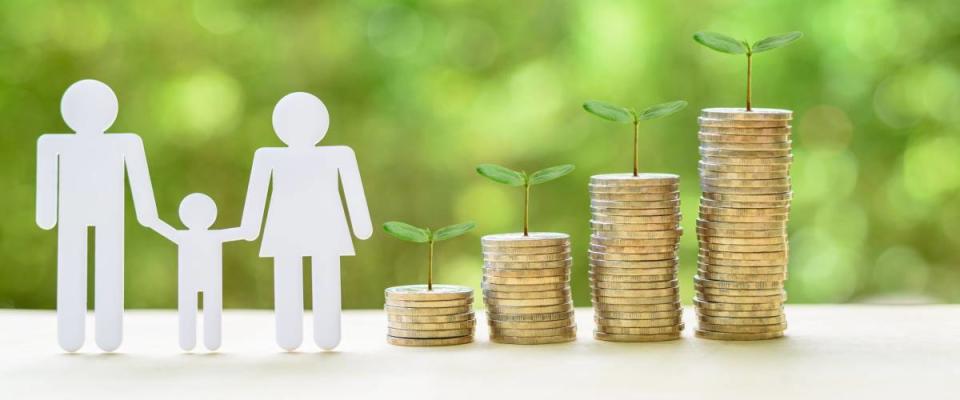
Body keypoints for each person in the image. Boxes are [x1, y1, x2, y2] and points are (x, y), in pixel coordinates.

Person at [239, 92, 372, 351]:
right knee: (291, 276)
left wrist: (361, 224)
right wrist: (250, 227)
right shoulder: (269, 157)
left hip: (320, 227)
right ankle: (291, 334)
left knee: (324, 275)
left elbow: (353, 191)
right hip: (292, 228)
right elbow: (256, 195)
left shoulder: (339, 155)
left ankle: (325, 334)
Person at [36, 79, 161, 352]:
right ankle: (72, 333)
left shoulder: (126, 143)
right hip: (75, 214)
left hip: (106, 214)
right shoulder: (54, 144)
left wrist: (147, 213)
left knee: (109, 268)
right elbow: (47, 179)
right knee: (73, 268)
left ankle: (107, 333)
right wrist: (46, 213)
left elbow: (139, 180)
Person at [152, 193, 245, 351]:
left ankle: (205, 341)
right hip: (196, 280)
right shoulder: (203, 236)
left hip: (202, 280)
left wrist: (151, 219)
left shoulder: (188, 236)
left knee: (206, 306)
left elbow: (157, 224)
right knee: (193, 306)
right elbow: (244, 232)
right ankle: (195, 341)